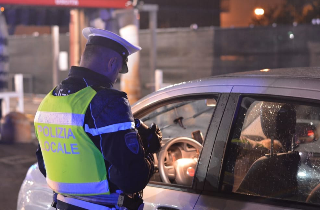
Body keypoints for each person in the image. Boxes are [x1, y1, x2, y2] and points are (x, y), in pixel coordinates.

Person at [34, 27, 162, 210]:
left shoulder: (48, 101)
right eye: (118, 70)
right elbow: (131, 178)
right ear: (111, 63)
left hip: (62, 204)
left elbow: (46, 164)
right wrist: (149, 152)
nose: (116, 78)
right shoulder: (109, 100)